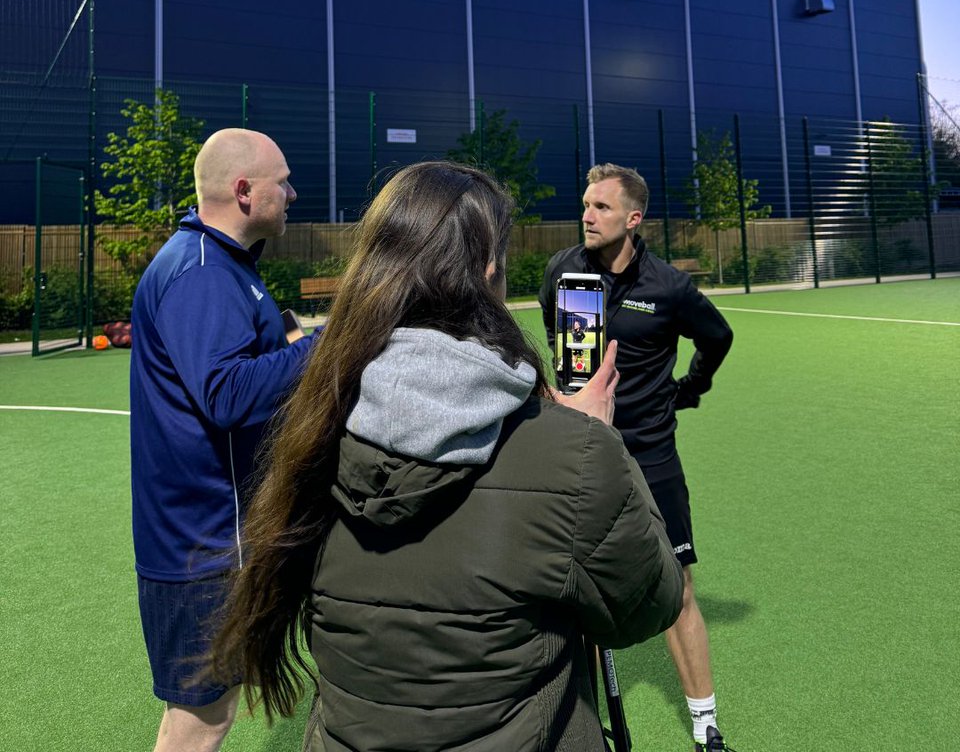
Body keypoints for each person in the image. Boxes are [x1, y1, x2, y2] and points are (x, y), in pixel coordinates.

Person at [210, 160, 684, 751]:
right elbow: (648, 604)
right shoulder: (574, 452)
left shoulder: (314, 427)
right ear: (489, 275)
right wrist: (596, 442)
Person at [130, 128, 317, 752]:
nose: (293, 192)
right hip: (203, 542)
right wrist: (327, 345)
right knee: (202, 720)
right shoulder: (202, 272)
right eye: (282, 181)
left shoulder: (223, 265)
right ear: (243, 191)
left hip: (213, 535)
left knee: (201, 711)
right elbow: (228, 394)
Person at [539, 163, 736, 752]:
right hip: (574, 449)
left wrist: (689, 388)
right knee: (564, 583)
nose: (587, 215)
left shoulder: (669, 287)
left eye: (600, 207)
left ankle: (705, 723)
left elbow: (718, 336)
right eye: (585, 205)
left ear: (633, 218)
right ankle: (566, 715)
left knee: (676, 587)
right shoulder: (563, 271)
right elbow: (557, 338)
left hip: (650, 455)